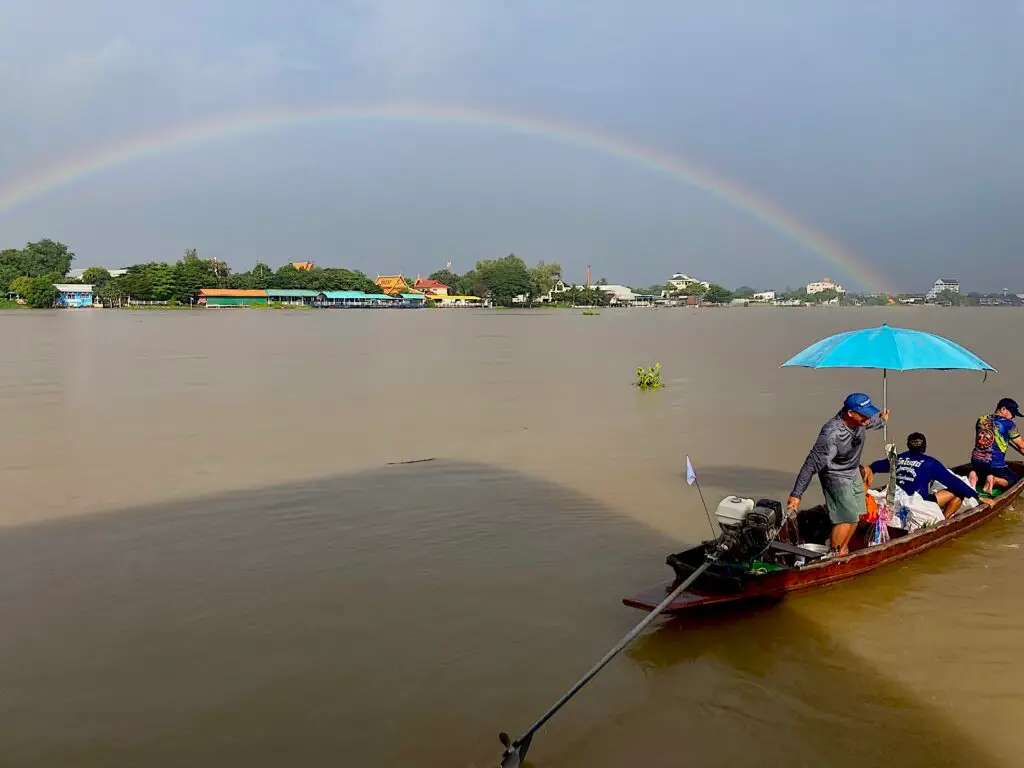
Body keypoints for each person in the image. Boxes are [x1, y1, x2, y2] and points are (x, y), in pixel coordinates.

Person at [787, 393, 889, 556]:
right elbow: (811, 464)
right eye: (864, 415)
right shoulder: (831, 434)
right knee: (845, 518)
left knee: (856, 515)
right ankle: (832, 555)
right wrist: (796, 494)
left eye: (869, 414)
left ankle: (842, 550)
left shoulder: (861, 421)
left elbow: (870, 423)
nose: (867, 419)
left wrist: (882, 420)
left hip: (853, 472)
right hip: (836, 477)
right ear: (850, 413)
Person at [866, 432, 980, 519]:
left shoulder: (897, 458)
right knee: (959, 493)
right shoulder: (930, 463)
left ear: (907, 445)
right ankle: (942, 521)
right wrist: (977, 496)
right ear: (924, 447)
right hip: (919, 501)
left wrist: (865, 482)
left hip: (895, 498)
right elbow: (953, 482)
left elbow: (874, 467)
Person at [967, 398, 1024, 495]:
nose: (1013, 417)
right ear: (1003, 409)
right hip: (994, 464)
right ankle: (994, 479)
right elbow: (1021, 446)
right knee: (1014, 479)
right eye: (1012, 413)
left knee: (984, 470)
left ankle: (976, 475)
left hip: (976, 460)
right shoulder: (1009, 424)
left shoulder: (981, 419)